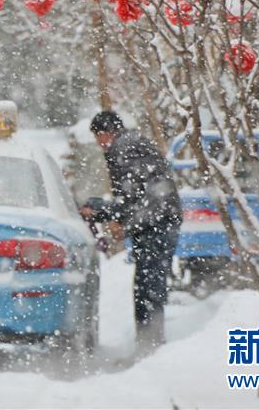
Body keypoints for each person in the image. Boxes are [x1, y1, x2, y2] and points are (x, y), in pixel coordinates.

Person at [81, 110, 181, 353]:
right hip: (158, 223)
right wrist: (104, 211)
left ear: (106, 134)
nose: (99, 144)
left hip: (156, 227)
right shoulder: (132, 145)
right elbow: (138, 197)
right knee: (148, 286)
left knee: (148, 289)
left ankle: (152, 347)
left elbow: (143, 199)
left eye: (98, 138)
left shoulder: (125, 149)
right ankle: (149, 344)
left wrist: (122, 223)